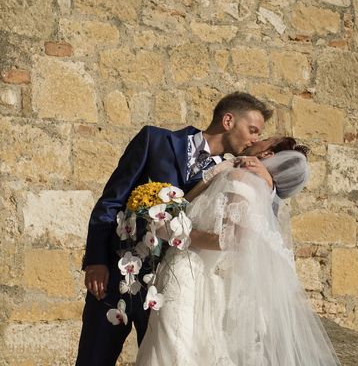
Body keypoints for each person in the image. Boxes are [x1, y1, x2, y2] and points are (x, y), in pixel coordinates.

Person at [76, 92, 273, 366]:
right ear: (228, 120)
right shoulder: (154, 140)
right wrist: (96, 261)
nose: (255, 139)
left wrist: (268, 183)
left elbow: (257, 219)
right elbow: (111, 201)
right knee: (93, 359)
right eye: (252, 130)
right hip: (116, 276)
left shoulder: (230, 173)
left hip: (170, 289)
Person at [136, 138, 340, 366]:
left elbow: (233, 238)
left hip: (190, 274)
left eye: (263, 140)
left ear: (267, 155)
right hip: (188, 271)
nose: (255, 139)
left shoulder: (242, 180)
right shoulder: (237, 174)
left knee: (174, 348)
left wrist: (177, 235)